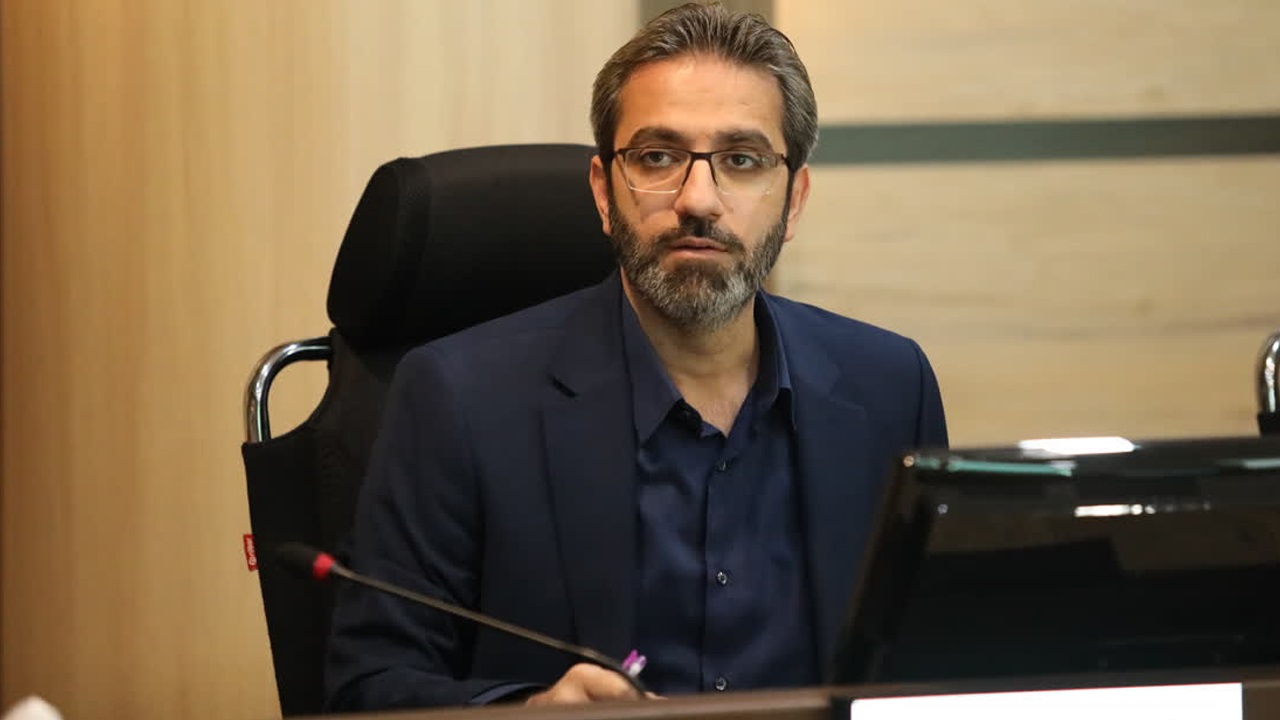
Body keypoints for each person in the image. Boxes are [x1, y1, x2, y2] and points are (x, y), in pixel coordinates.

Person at [324, 1, 947, 711]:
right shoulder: (459, 397)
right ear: (603, 191)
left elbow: (942, 665)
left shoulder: (889, 387)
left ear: (794, 200)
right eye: (658, 157)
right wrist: (526, 711)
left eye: (742, 160)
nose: (698, 200)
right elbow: (367, 688)